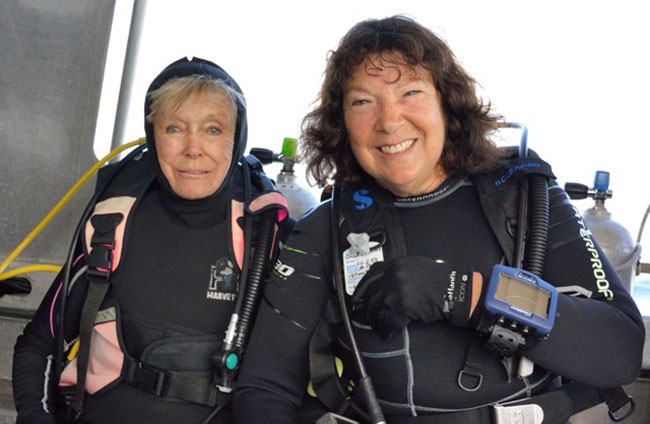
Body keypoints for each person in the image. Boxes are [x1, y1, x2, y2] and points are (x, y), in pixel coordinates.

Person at [233, 16, 645, 424]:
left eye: (410, 92)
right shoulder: (326, 229)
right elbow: (265, 389)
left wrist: (464, 294)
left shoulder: (524, 201)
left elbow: (620, 351)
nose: (389, 121)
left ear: (446, 104)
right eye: (362, 101)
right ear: (341, 122)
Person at [12, 57, 289, 424]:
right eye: (174, 128)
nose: (193, 149)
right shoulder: (113, 223)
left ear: (236, 139)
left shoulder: (263, 235)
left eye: (212, 130)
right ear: (152, 135)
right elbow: (37, 346)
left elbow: (292, 379)